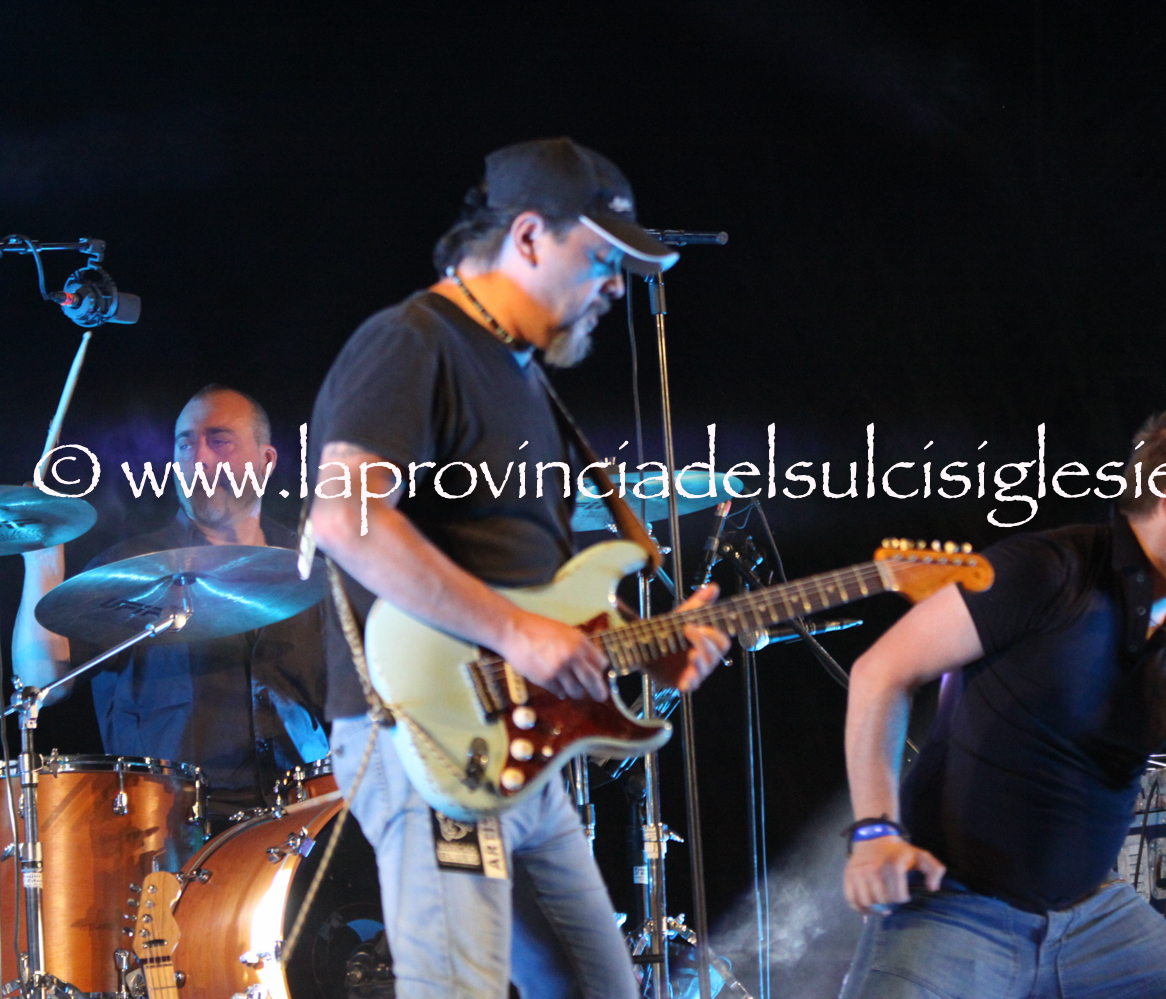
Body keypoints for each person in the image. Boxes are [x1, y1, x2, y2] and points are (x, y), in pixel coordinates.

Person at [307, 136, 730, 999]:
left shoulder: (523, 376)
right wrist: (518, 634)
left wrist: (643, 644)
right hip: (430, 737)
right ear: (530, 236)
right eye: (602, 258)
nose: (616, 285)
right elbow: (345, 517)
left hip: (524, 746)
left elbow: (533, 590)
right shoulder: (411, 341)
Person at [839, 403, 1166, 999]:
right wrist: (875, 832)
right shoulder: (1047, 569)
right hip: (956, 908)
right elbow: (880, 671)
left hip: (1094, 920)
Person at [13, 385, 330, 823]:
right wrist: (43, 556)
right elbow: (43, 682)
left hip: (304, 820)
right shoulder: (126, 570)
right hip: (170, 831)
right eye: (185, 444)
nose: (198, 458)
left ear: (267, 460)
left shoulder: (313, 568)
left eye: (219, 440)